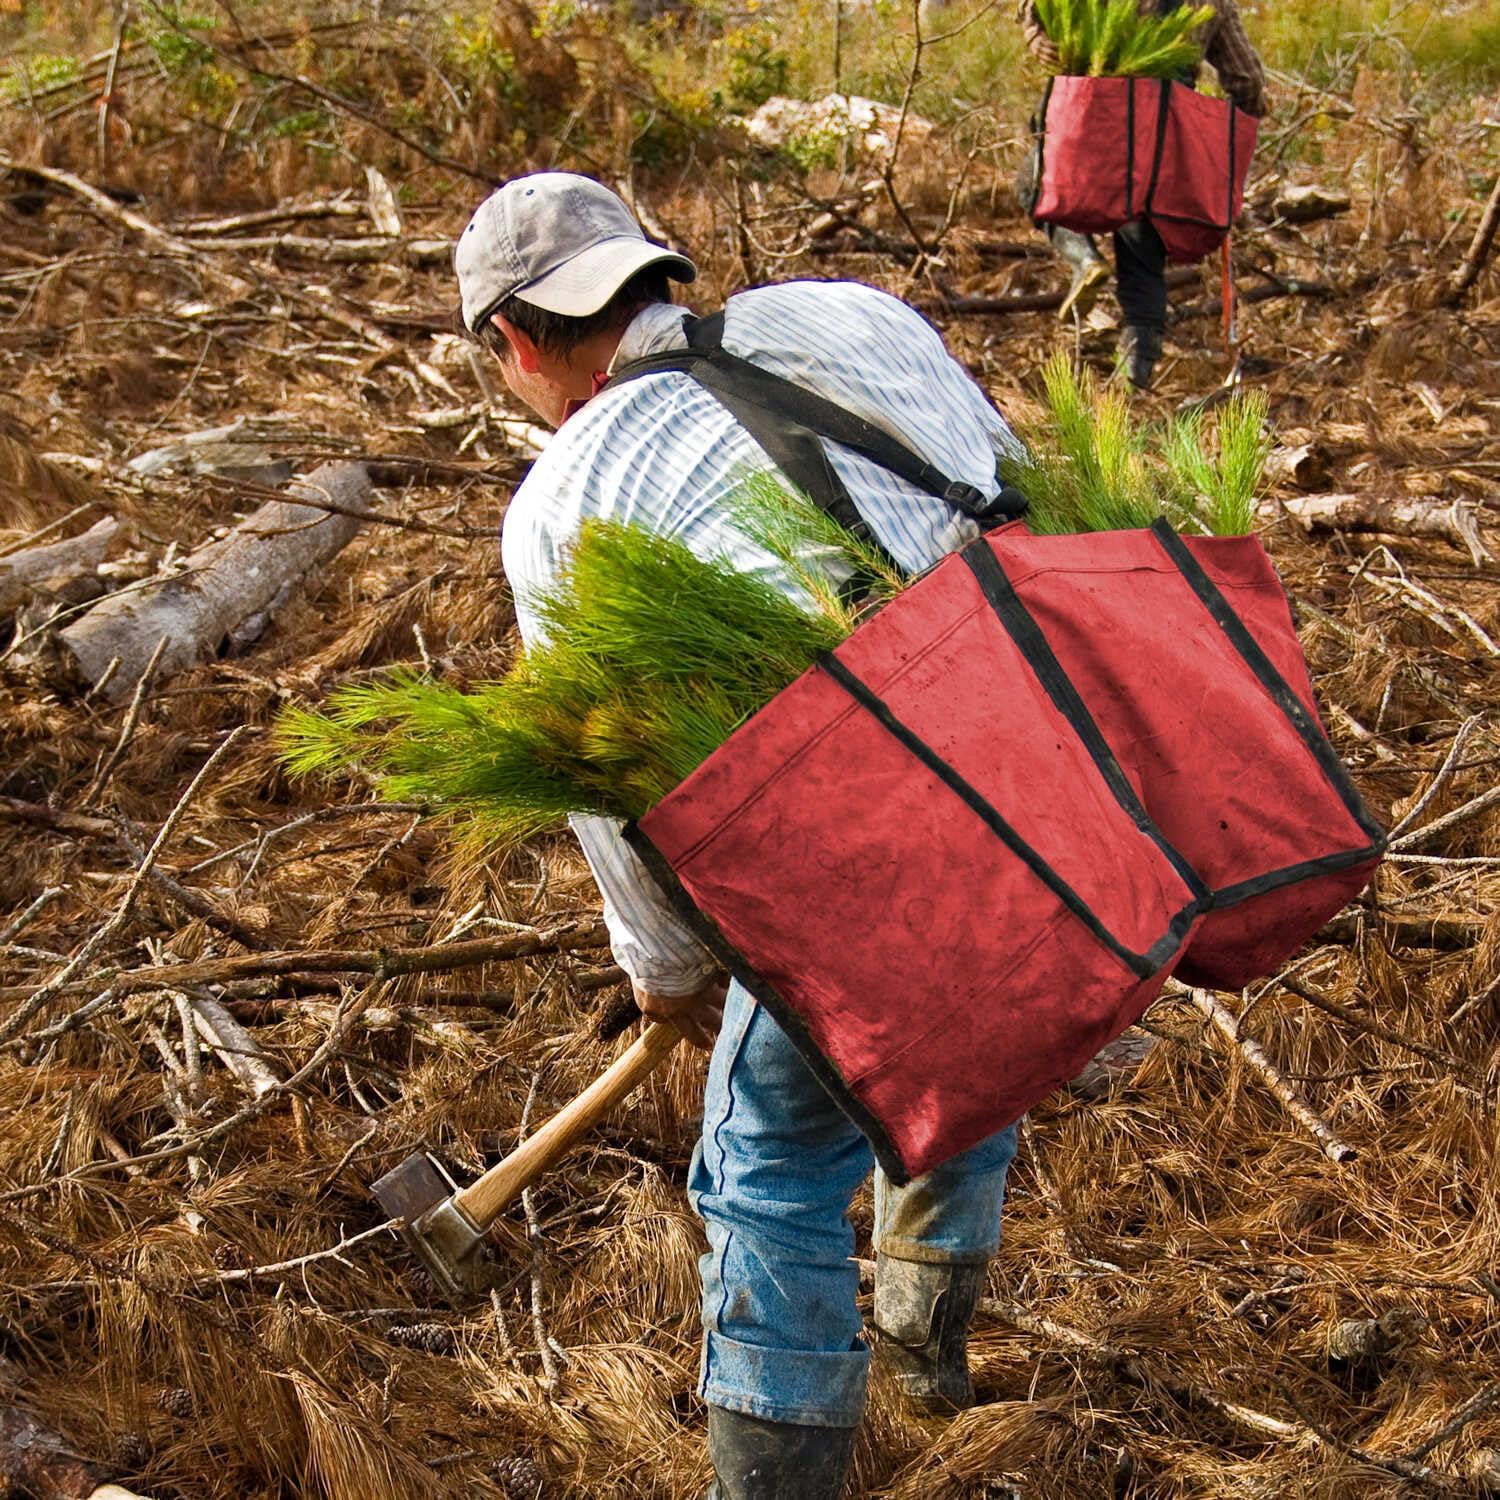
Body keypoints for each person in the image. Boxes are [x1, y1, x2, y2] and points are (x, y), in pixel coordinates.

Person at [455, 172, 1021, 1499]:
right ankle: (926, 1356)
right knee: (977, 1021)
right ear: (655, 275)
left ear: (518, 344)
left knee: (765, 1160)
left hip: (870, 842)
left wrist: (667, 975)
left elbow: (613, 784)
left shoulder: (564, 506)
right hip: (1049, 773)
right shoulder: (849, 314)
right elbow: (1013, 489)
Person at [1017, 0, 1267, 388]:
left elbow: (1039, 7)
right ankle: (1135, 372)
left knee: (1039, 187)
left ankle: (1084, 259)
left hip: (1088, 107)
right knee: (1141, 240)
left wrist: (1037, 36)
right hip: (1160, 128)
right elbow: (1246, 80)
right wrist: (1230, 127)